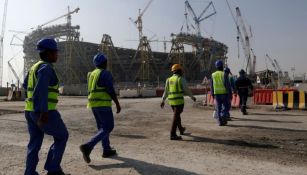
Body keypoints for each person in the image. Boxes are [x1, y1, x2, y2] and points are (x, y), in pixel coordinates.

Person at [23, 38, 69, 175]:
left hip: (29, 110)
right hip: (44, 111)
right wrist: (43, 111)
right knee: (62, 136)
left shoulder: (34, 67)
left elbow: (26, 85)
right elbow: (42, 88)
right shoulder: (46, 68)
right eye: (55, 52)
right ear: (48, 53)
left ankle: (29, 173)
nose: (57, 55)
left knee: (34, 143)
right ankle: (53, 169)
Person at [80, 53, 121, 163]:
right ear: (104, 62)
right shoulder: (105, 73)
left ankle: (106, 149)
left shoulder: (92, 74)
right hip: (103, 104)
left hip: (93, 105)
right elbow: (110, 90)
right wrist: (117, 103)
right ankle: (88, 146)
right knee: (108, 127)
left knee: (102, 128)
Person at [160, 64, 196, 140]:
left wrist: (163, 100)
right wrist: (192, 97)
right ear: (179, 71)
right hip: (179, 102)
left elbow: (166, 91)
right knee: (176, 117)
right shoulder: (180, 79)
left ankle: (181, 129)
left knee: (177, 116)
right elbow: (186, 90)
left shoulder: (168, 80)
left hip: (172, 102)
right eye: (181, 70)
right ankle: (172, 134)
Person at [210, 60, 232, 126]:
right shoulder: (224, 74)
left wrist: (212, 94)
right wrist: (230, 94)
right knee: (227, 106)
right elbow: (227, 85)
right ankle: (223, 115)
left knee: (218, 108)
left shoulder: (213, 75)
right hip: (224, 93)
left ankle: (220, 121)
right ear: (222, 66)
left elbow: (211, 85)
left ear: (216, 67)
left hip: (216, 94)